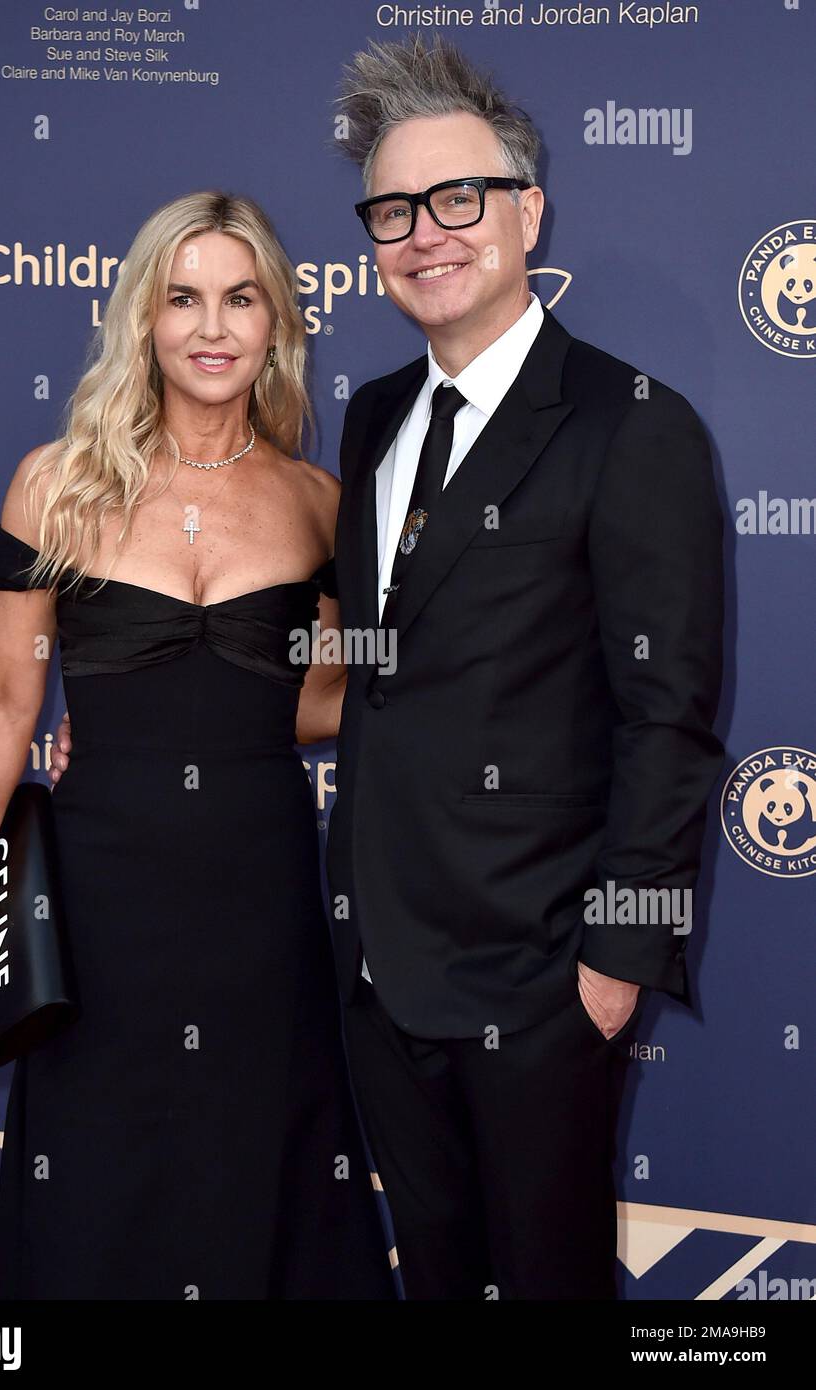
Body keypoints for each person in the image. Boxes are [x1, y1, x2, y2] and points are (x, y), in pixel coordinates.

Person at [0, 191, 395, 1300]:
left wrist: (191, 707)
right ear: (141, 318)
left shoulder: (317, 501)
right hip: (101, 896)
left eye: (240, 298)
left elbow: (324, 699)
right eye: (182, 298)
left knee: (264, 1155)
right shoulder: (59, 484)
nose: (211, 326)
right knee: (101, 1168)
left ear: (279, 320)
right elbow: (4, 693)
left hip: (263, 891)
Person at [321, 37, 724, 1299]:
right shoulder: (376, 411)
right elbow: (373, 668)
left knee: (546, 1281)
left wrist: (615, 964)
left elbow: (669, 716)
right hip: (379, 963)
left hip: (543, 971)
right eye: (394, 209)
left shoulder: (632, 423)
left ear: (525, 209)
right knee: (434, 1273)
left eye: (458, 198)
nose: (425, 233)